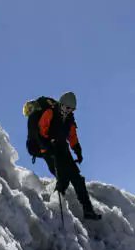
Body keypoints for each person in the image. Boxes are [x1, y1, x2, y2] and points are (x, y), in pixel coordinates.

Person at [36, 91, 101, 220]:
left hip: (62, 148)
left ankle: (88, 210)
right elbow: (41, 130)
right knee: (63, 176)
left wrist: (77, 150)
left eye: (71, 109)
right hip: (49, 148)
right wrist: (48, 146)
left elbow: (72, 136)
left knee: (77, 178)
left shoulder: (70, 119)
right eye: (67, 107)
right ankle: (54, 206)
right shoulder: (50, 113)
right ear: (61, 104)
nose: (69, 110)